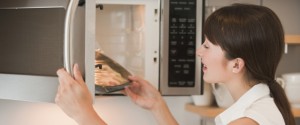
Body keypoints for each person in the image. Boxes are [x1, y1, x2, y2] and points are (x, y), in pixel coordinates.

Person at [55, 4, 295, 125]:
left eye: (208, 46)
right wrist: (158, 106)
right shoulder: (261, 106)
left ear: (236, 65)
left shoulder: (247, 122)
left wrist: (84, 114)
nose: (198, 51)